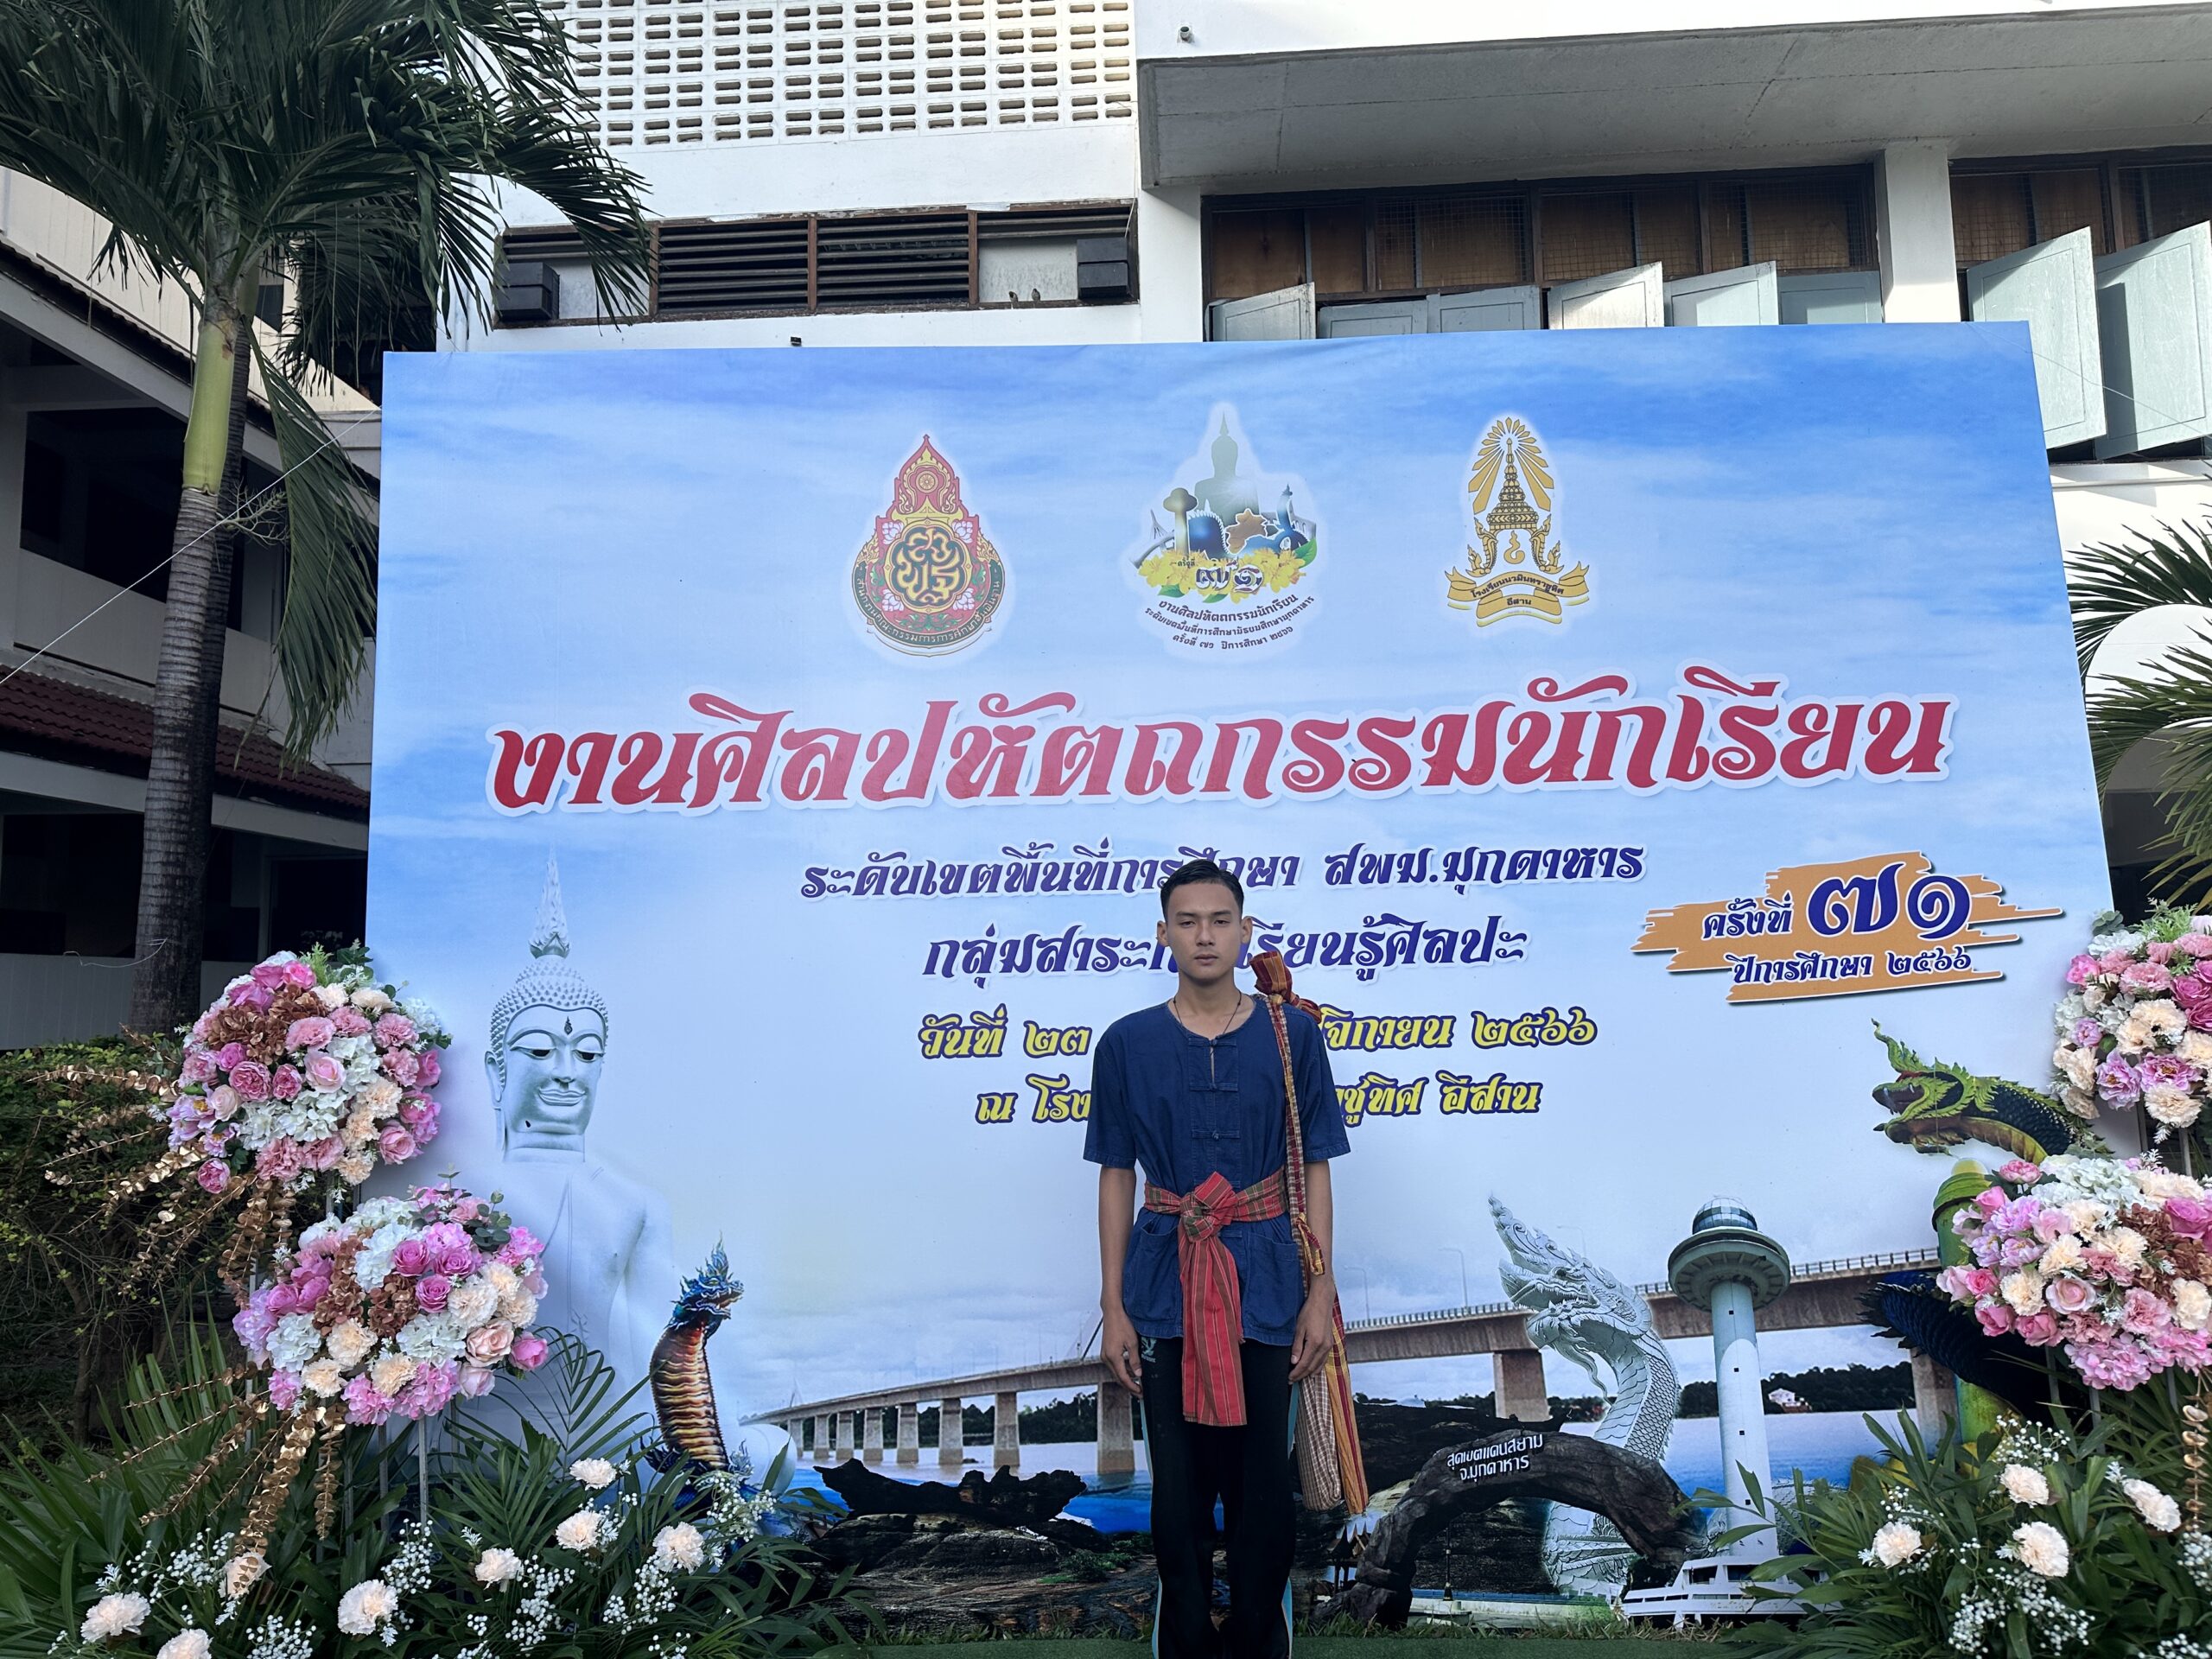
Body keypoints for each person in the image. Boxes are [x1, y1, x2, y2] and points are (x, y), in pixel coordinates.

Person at [1085, 857, 1350, 1659]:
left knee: (1264, 1484)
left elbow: (1315, 1167)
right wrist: (1113, 1306)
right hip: (1164, 1280)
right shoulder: (1126, 1042)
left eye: (1220, 920)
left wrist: (1320, 1291)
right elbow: (1117, 1174)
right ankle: (1187, 1642)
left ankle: (1263, 1642)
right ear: (1163, 934)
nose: (1205, 935)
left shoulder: (1293, 1034)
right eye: (1188, 921)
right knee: (1178, 1489)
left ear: (1244, 930)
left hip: (1270, 1277)